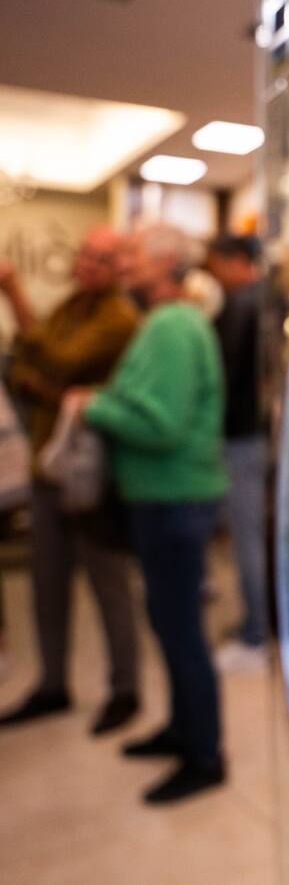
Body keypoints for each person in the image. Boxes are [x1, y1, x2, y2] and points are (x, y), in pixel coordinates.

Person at [68, 224, 230, 804]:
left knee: (180, 629)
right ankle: (184, 731)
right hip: (165, 498)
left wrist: (93, 407)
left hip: (173, 497)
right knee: (169, 622)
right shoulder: (170, 322)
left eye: (133, 253)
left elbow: (161, 425)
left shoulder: (171, 326)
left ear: (165, 262)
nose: (123, 262)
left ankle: (204, 755)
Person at [0, 228, 142, 735]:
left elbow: (59, 361)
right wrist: (48, 384)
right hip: (49, 465)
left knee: (108, 583)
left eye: (100, 258)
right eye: (85, 254)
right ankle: (53, 683)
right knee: (47, 582)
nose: (86, 264)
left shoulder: (118, 316)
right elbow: (28, 360)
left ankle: (125, 689)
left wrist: (14, 291)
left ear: (118, 266)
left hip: (90, 472)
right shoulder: (72, 305)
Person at [206, 236, 268, 672]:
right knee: (249, 537)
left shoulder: (244, 306)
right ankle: (257, 625)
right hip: (250, 435)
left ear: (237, 262)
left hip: (243, 437)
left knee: (248, 539)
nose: (212, 272)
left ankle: (257, 635)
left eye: (216, 263)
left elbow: (222, 379)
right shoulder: (260, 303)